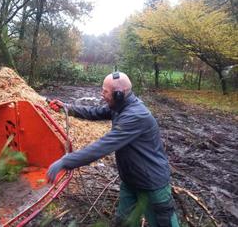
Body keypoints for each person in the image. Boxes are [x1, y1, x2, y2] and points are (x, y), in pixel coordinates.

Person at [47, 71, 180, 227]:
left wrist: (65, 161)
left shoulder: (136, 115)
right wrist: (67, 107)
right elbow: (94, 112)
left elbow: (102, 146)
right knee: (124, 223)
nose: (102, 95)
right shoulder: (119, 106)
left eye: (105, 91)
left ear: (119, 94)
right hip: (130, 181)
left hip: (152, 184)